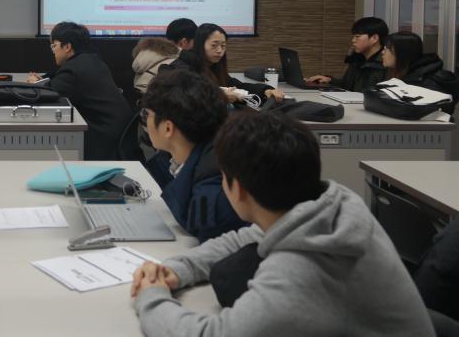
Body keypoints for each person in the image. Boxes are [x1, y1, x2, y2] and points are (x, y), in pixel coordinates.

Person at [130, 111, 435, 337]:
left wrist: (151, 295)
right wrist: (177, 269)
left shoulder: (299, 273)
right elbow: (245, 237)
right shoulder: (331, 204)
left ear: (238, 190)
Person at [141, 70, 245, 242]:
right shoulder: (213, 150)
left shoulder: (214, 185)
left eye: (147, 115)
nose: (145, 121)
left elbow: (207, 235)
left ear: (168, 128)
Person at [27, 22, 136, 160]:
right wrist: (43, 80)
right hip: (118, 132)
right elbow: (58, 81)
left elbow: (49, 95)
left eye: (54, 46)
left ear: (67, 47)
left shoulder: (73, 69)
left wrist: (35, 84)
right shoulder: (91, 60)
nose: (53, 51)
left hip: (103, 137)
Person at [163, 23, 284, 104]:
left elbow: (238, 86)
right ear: (200, 45)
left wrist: (265, 90)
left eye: (223, 46)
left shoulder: (214, 66)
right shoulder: (182, 67)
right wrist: (221, 97)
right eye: (214, 45)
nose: (220, 50)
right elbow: (188, 98)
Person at [307, 16, 388, 92]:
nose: (353, 40)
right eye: (353, 36)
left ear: (374, 38)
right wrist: (330, 80)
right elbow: (347, 85)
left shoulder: (386, 64)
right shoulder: (357, 59)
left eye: (357, 36)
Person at [382, 31, 459, 109]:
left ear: (401, 53)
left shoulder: (426, 82)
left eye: (385, 49)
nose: (382, 52)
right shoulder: (401, 72)